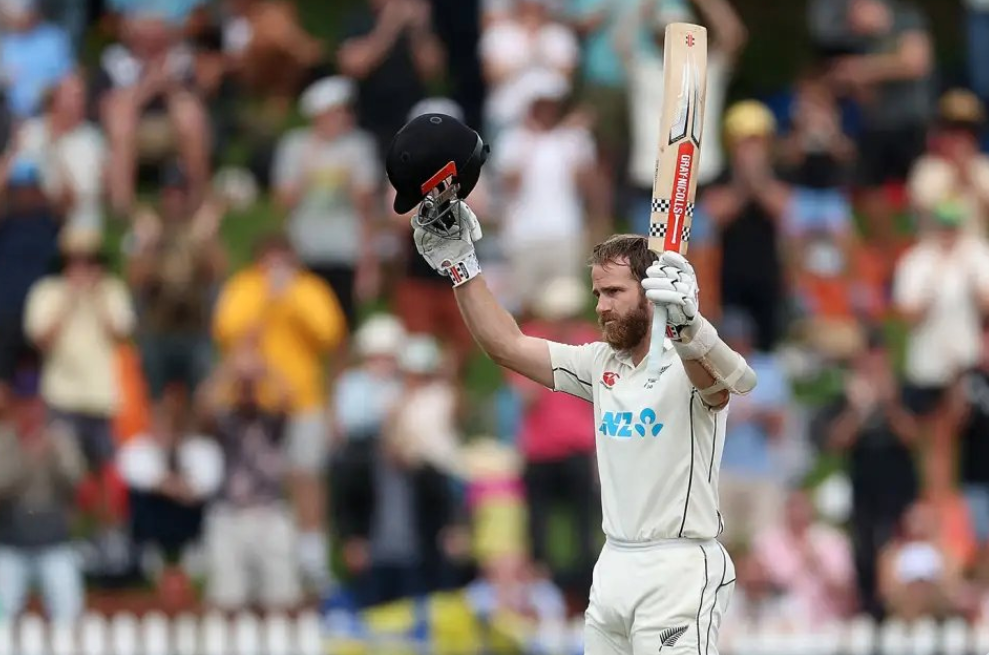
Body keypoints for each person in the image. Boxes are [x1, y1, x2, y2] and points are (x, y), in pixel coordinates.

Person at [386, 112, 756, 655]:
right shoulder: (598, 363)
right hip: (615, 565)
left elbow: (725, 386)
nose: (602, 307)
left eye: (615, 293)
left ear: (650, 294)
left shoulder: (687, 356)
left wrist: (689, 328)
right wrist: (464, 268)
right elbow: (507, 346)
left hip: (679, 565)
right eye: (597, 294)